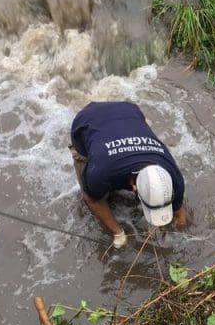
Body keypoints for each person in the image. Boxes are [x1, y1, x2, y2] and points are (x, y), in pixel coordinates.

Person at [69, 101, 187, 247]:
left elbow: (180, 214)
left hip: (130, 110)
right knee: (95, 192)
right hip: (87, 121)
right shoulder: (100, 173)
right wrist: (118, 233)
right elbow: (93, 201)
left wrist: (181, 230)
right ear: (134, 188)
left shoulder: (174, 178)